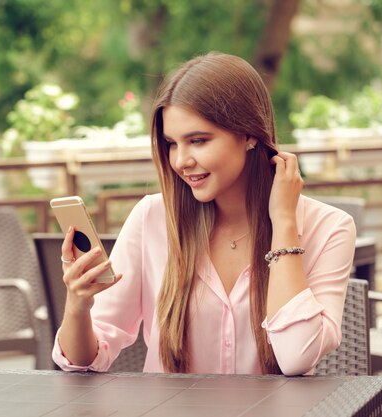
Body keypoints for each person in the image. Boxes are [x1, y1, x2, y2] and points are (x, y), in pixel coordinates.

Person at [52, 52, 356, 376]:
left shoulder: (330, 228)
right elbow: (83, 360)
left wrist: (283, 222)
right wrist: (78, 304)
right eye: (172, 143)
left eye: (198, 141)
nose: (181, 160)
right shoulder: (151, 219)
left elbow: (296, 357)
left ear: (250, 134)